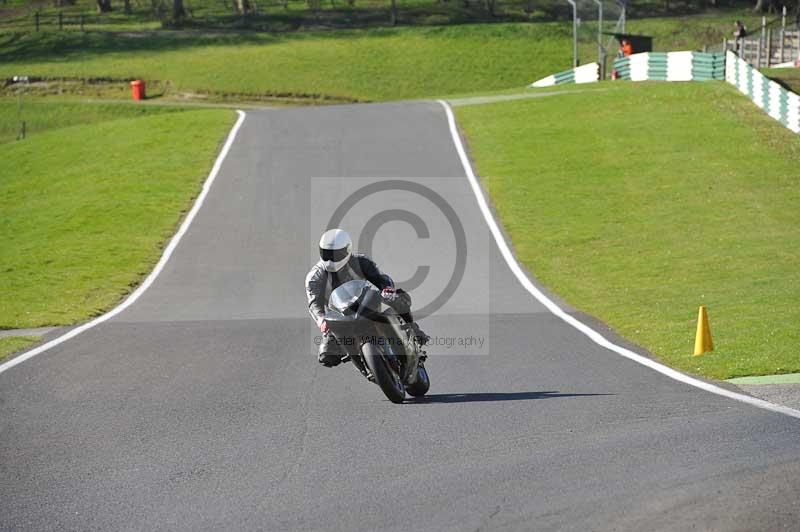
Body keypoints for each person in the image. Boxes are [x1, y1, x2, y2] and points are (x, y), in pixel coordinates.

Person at [305, 228, 430, 368]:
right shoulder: (315, 277)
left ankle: (412, 327)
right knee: (327, 356)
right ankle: (362, 363)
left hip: (366, 301)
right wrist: (321, 318)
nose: (330, 260)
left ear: (347, 250)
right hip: (338, 314)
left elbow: (381, 278)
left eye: (335, 254)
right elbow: (314, 303)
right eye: (326, 254)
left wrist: (387, 289)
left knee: (397, 297)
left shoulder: (360, 261)